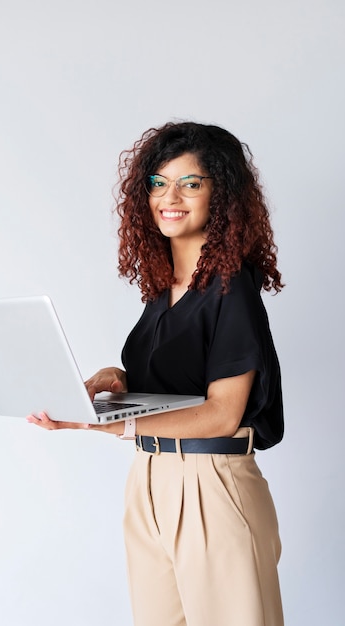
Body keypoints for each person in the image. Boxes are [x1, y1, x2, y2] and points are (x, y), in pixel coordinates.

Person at [27, 121, 285, 626]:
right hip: (149, 480)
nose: (171, 196)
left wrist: (104, 424)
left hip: (212, 485)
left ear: (222, 195)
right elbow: (177, 385)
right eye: (158, 182)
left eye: (191, 183)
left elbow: (220, 413)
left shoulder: (233, 292)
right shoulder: (163, 292)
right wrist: (114, 379)